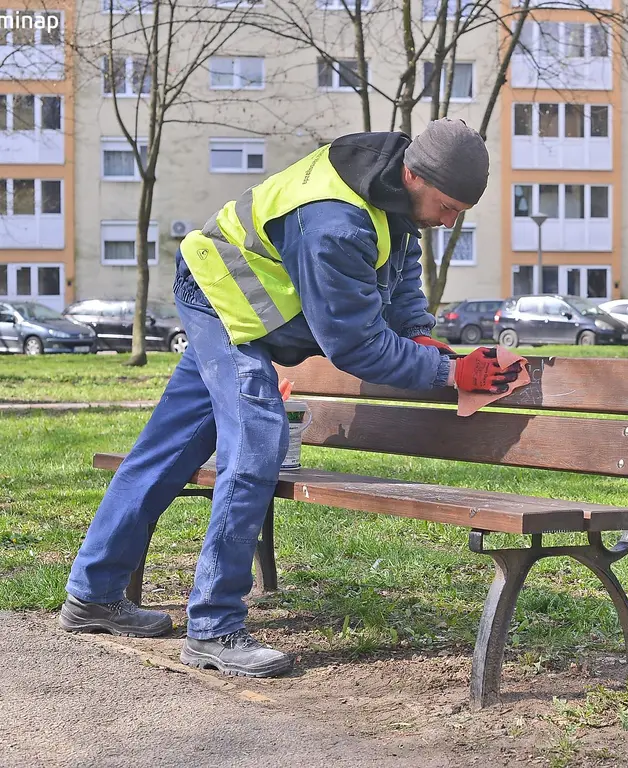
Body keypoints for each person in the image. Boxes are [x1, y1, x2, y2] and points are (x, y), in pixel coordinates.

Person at [58, 119, 521, 678]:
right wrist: (449, 371)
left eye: (460, 213)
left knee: (169, 446)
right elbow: (355, 345)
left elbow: (397, 277)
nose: (450, 221)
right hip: (221, 293)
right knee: (257, 443)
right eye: (448, 207)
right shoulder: (335, 220)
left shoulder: (391, 192)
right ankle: (214, 628)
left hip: (248, 305)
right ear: (413, 174)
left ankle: (93, 593)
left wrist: (420, 334)